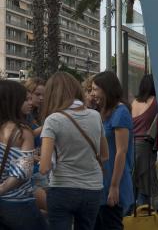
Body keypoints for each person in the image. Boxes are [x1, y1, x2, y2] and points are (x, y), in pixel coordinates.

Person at [39, 72, 109, 230]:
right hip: (93, 189)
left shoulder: (53, 120)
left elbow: (44, 168)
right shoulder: (95, 116)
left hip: (62, 188)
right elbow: (105, 155)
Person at [0, 80, 47, 229]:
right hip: (18, 202)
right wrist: (2, 189)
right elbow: (23, 171)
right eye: (25, 99)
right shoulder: (22, 131)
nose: (30, 103)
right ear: (13, 102)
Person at [92, 71, 134, 230]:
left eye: (95, 89)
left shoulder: (120, 112)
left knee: (111, 223)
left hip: (113, 180)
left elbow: (121, 151)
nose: (92, 93)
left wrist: (114, 186)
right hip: (101, 181)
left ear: (106, 89)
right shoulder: (101, 112)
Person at [130, 74, 158, 206]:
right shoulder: (156, 101)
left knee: (133, 184)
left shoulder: (134, 102)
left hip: (131, 146)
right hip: (145, 147)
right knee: (144, 186)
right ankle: (143, 220)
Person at [23, 77, 48, 211]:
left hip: (39, 170)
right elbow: (24, 137)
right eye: (37, 94)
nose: (41, 98)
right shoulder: (23, 115)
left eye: (44, 95)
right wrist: (48, 126)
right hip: (29, 173)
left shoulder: (37, 114)